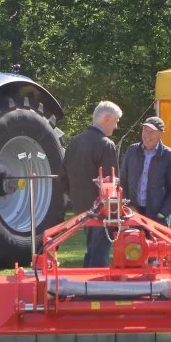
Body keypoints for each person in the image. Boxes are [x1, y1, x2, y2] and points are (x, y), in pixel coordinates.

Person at [61, 101, 121, 267]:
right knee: (99, 256)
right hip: (101, 210)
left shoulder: (74, 142)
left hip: (81, 209)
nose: (116, 126)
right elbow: (111, 183)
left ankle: (85, 288)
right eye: (116, 121)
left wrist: (76, 200)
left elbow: (63, 178)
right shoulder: (106, 144)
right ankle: (96, 291)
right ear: (107, 119)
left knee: (92, 251)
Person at [120, 117, 171, 227]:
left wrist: (162, 213)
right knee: (133, 244)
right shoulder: (132, 150)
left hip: (157, 218)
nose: (147, 135)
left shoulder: (170, 156)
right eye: (145, 130)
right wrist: (128, 206)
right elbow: (122, 181)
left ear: (161, 134)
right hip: (133, 214)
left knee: (157, 245)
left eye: (152, 132)